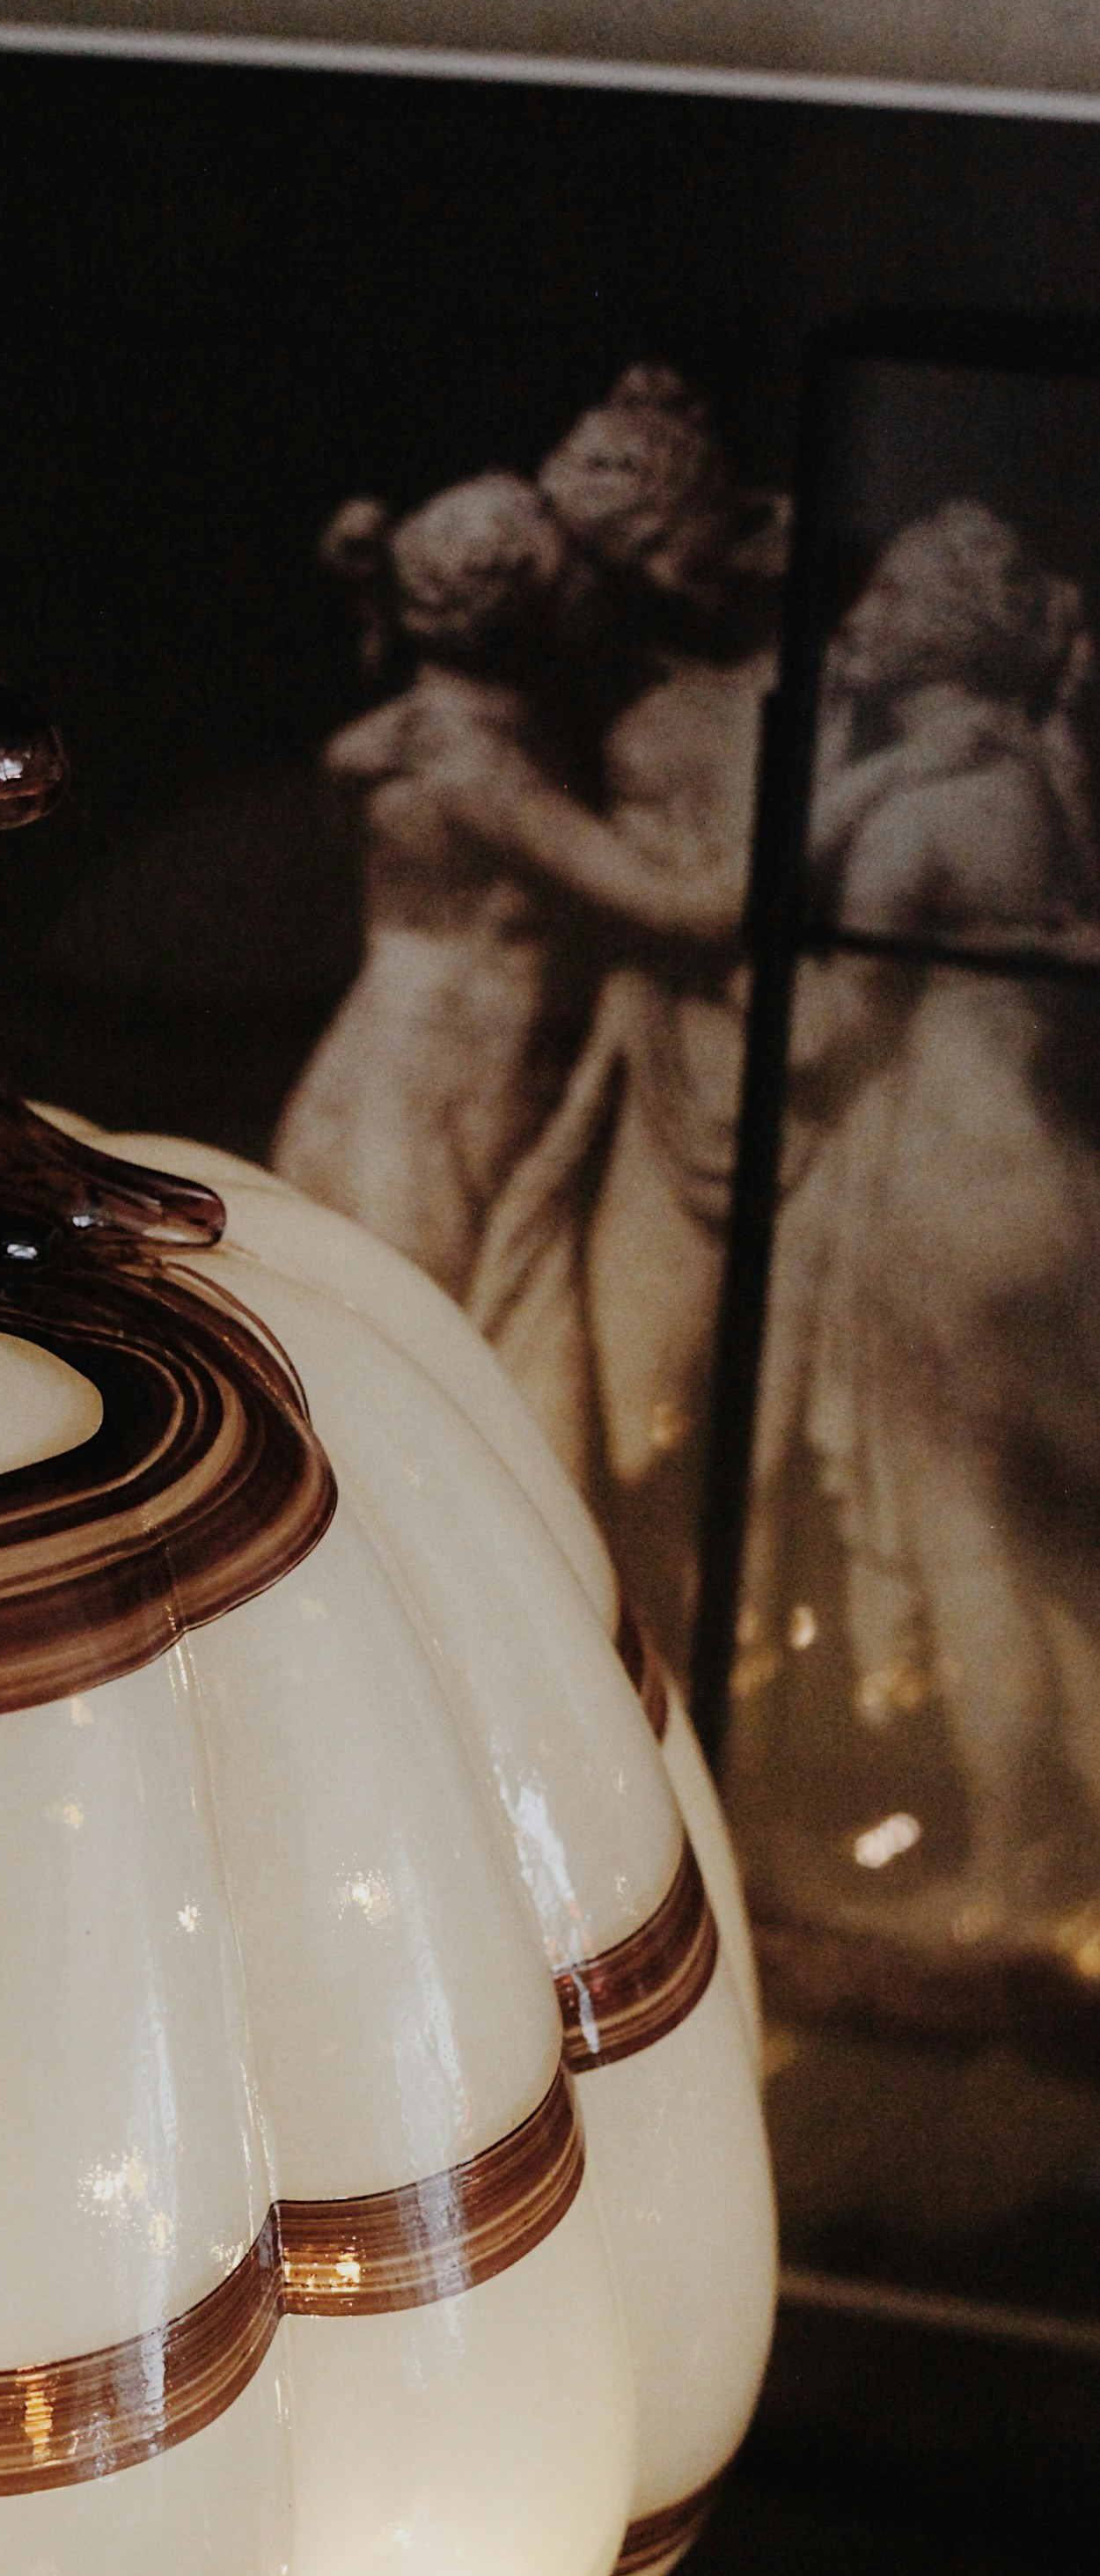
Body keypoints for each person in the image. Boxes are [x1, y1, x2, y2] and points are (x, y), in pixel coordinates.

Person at [754, 501, 1100, 1962]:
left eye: (885, 601)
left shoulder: (918, 815)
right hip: (1046, 1187)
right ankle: (1061, 1852)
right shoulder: (1038, 785)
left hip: (944, 1202)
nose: (858, 626)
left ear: (934, 631)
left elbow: (823, 1033)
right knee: (1052, 1556)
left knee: (973, 1554)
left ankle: (1018, 1871)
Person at [458, 371, 785, 1653]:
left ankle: (706, 1658)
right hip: (644, 1052)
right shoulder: (583, 688)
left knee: (722, 1420)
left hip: (756, 1047)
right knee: (635, 1400)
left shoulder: (779, 664)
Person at [271, 467, 738, 1303]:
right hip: (441, 1109)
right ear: (534, 618)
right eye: (580, 588)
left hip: (391, 1078)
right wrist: (849, 799)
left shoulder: (394, 738)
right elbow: (681, 913)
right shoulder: (474, 766)